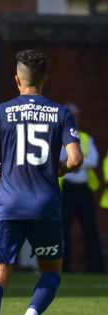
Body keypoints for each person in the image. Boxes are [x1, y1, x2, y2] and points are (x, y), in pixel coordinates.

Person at [0, 49, 83, 315]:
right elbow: (75, 160)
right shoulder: (61, 113)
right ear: (45, 79)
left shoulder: (0, 112)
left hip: (8, 205)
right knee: (51, 273)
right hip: (45, 205)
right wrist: (58, 169)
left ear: (17, 79)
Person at [59, 103, 103, 273]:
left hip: (83, 189)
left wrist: (75, 162)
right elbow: (58, 158)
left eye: (76, 115)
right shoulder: (57, 136)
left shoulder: (85, 138)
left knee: (90, 228)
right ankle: (64, 267)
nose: (74, 118)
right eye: (71, 114)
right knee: (63, 230)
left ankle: (96, 268)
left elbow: (93, 160)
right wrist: (77, 160)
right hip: (66, 190)